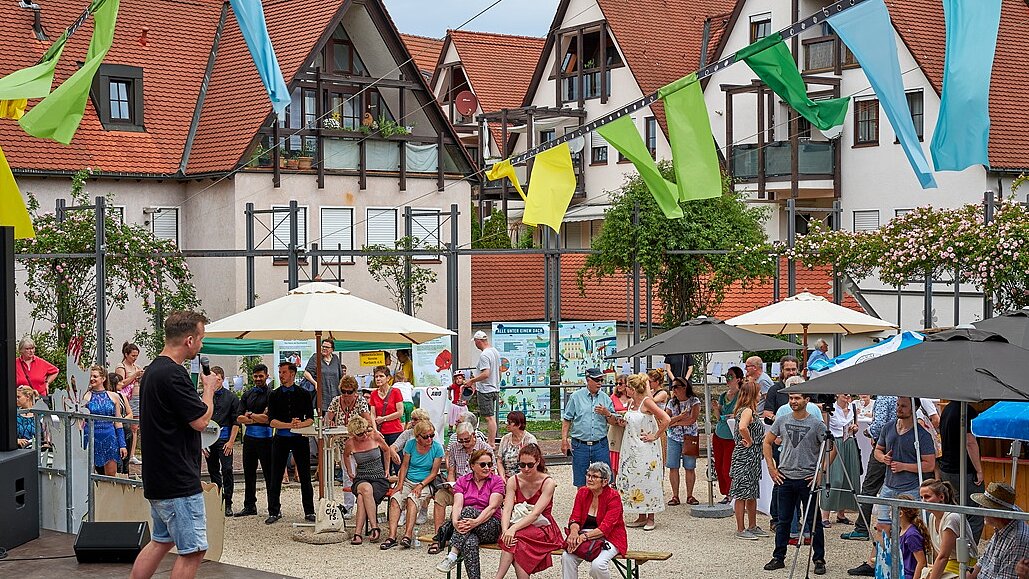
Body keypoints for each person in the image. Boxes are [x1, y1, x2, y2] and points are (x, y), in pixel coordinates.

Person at [131, 311, 216, 579]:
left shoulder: (153, 371)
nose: (201, 345)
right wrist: (210, 390)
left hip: (159, 476)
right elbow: (201, 420)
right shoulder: (173, 375)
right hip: (177, 479)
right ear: (189, 340)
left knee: (161, 541)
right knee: (193, 551)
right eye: (200, 339)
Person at [849, 397, 937, 577]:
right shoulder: (888, 427)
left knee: (911, 529)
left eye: (903, 406)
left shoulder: (922, 434)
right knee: (882, 526)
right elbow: (878, 450)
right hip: (889, 486)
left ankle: (913, 565)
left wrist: (905, 466)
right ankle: (876, 562)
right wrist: (883, 458)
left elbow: (929, 464)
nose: (899, 408)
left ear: (914, 408)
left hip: (910, 489)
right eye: (898, 405)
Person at [762, 392, 828, 575]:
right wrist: (771, 468)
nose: (793, 401)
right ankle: (778, 557)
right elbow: (767, 442)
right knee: (783, 520)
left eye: (797, 398)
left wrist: (820, 471)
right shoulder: (781, 420)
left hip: (807, 479)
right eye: (791, 398)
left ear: (807, 400)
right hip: (785, 478)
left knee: (814, 521)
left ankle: (819, 558)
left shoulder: (816, 424)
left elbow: (831, 448)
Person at [495, 443, 564, 579]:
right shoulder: (513, 480)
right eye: (522, 465)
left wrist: (512, 529)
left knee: (514, 539)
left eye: (530, 465)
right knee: (513, 541)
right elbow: (507, 508)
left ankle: (498, 577)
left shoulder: (548, 482)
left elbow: (535, 514)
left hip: (543, 526)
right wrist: (505, 530)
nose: (526, 469)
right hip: (520, 525)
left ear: (538, 462)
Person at [435, 449, 506, 578]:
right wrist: (456, 522)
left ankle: (452, 555)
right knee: (470, 542)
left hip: (490, 525)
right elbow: (457, 505)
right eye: (483, 464)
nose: (487, 468)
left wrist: (476, 522)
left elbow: (492, 507)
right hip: (468, 527)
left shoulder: (497, 481)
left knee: (468, 510)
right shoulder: (462, 481)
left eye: (489, 464)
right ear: (472, 466)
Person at [618, 372, 670, 531]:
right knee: (634, 478)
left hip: (646, 448)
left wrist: (655, 435)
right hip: (630, 446)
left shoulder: (647, 402)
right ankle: (640, 515)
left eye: (627, 386)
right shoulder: (631, 403)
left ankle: (651, 517)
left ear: (633, 388)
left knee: (648, 479)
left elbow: (666, 419)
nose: (625, 389)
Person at [265, 361, 315, 525]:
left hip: (300, 438)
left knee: (305, 475)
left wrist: (299, 425)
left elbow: (310, 419)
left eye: (284, 372)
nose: (281, 375)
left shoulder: (304, 394)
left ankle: (309, 511)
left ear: (292, 374)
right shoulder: (274, 394)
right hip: (281, 437)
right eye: (280, 372)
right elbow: (271, 421)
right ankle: (274, 510)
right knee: (276, 475)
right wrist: (289, 425)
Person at [842, 395, 897, 542]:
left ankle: (862, 528)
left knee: (869, 487)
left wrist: (868, 432)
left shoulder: (884, 397)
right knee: (894, 485)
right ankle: (893, 524)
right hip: (899, 443)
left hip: (883, 446)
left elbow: (879, 424)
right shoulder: (899, 393)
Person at [381, 420, 443, 550]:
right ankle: (392, 536)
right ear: (418, 437)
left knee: (412, 499)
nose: (430, 439)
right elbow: (404, 466)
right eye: (426, 436)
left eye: (431, 435)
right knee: (395, 499)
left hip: (426, 482)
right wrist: (400, 483)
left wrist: (421, 485)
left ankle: (407, 535)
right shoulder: (410, 444)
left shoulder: (437, 448)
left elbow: (434, 473)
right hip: (408, 480)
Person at [432, 421, 493, 552]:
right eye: (461, 441)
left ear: (473, 435)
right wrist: (451, 485)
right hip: (458, 486)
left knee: (466, 505)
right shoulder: (454, 447)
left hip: (477, 487)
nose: (464, 444)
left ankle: (455, 539)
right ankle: (439, 536)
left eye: (467, 440)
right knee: (440, 496)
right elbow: (451, 471)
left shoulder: (485, 448)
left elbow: (490, 474)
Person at [561, 462, 628, 579]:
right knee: (566, 557)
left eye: (594, 476)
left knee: (598, 565)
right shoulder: (582, 492)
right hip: (584, 535)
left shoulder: (613, 497)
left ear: (605, 481)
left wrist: (583, 537)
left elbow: (606, 527)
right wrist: (574, 533)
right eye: (588, 475)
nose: (589, 479)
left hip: (610, 537)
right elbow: (574, 518)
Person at [761, 355, 800, 531]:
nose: (791, 372)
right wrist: (779, 426)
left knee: (799, 482)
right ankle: (776, 518)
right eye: (788, 369)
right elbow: (767, 413)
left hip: (799, 444)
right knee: (780, 480)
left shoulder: (803, 388)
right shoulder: (775, 390)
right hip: (780, 442)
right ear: (781, 371)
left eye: (793, 369)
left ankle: (795, 518)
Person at [561, 368, 618, 487]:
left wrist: (606, 413)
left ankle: (602, 505)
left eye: (601, 380)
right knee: (581, 481)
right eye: (597, 380)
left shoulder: (605, 398)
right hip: (580, 444)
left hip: (600, 444)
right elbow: (567, 419)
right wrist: (564, 440)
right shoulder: (576, 397)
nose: (600, 383)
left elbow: (614, 422)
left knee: (604, 479)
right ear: (588, 380)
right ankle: (583, 505)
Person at [938, 400, 985, 542]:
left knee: (954, 511)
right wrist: (979, 470)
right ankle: (969, 550)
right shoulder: (967, 411)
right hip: (964, 471)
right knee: (974, 513)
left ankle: (953, 547)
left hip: (946, 468)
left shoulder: (947, 410)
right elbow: (970, 442)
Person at [325, 374, 373, 508]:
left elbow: (368, 421)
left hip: (360, 444)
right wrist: (330, 422)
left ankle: (363, 503)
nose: (346, 394)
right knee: (347, 474)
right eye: (343, 391)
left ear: (355, 391)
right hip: (343, 444)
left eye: (349, 392)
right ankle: (348, 505)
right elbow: (327, 418)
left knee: (362, 474)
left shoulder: (361, 401)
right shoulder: (336, 401)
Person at [344, 415, 391, 545]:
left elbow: (387, 451)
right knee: (365, 489)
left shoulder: (374, 436)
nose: (364, 435)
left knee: (361, 497)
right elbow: (346, 456)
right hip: (361, 477)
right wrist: (349, 471)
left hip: (378, 477)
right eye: (360, 434)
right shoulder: (350, 443)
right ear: (353, 434)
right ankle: (374, 527)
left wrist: (387, 469)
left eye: (365, 431)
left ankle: (358, 533)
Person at [234, 364, 273, 517]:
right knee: (249, 473)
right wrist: (257, 417)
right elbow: (238, 416)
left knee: (269, 475)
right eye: (255, 376)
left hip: (266, 439)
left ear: (266, 375)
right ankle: (249, 505)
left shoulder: (271, 395)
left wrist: (249, 415)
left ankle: (273, 507)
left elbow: (268, 419)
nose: (258, 379)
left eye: (260, 376)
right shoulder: (247, 394)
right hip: (249, 439)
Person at [919, 478, 977, 579]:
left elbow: (943, 557)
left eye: (927, 497)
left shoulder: (952, 518)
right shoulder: (932, 517)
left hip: (963, 565)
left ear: (941, 497)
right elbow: (938, 555)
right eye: (921, 497)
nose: (923, 501)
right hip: (948, 564)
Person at [729, 379, 766, 539]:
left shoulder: (749, 411)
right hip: (746, 456)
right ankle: (741, 528)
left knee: (751, 491)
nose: (760, 395)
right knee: (742, 492)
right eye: (758, 392)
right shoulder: (747, 411)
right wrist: (750, 441)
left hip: (752, 457)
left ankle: (752, 524)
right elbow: (742, 427)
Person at [969, 482, 1029, 579]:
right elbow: (982, 562)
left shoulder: (1018, 539)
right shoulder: (1001, 527)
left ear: (997, 512)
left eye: (985, 506)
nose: (981, 509)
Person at [205, 366, 240, 517]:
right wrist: (202, 443)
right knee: (213, 470)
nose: (214, 381)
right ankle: (217, 498)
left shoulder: (231, 398)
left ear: (222, 379)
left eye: (217, 379)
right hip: (208, 438)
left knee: (227, 469)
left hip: (225, 438)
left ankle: (229, 502)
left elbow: (236, 422)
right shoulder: (206, 397)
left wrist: (231, 441)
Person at [821, 393, 860, 528]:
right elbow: (825, 428)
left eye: (849, 394)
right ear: (838, 395)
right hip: (835, 442)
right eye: (845, 394)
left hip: (849, 442)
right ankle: (825, 514)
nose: (847, 396)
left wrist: (855, 428)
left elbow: (856, 426)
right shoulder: (831, 409)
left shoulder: (853, 408)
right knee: (834, 478)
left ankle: (841, 513)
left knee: (848, 476)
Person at [82, 366, 128, 476]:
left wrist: (122, 444)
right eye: (90, 376)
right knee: (88, 475)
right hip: (90, 436)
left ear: (103, 379)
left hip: (109, 437)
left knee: (111, 476)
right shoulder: (85, 396)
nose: (92, 379)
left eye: (95, 376)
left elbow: (118, 421)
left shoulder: (114, 396)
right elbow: (81, 421)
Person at [665, 377, 701, 506]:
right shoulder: (671, 402)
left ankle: (690, 495)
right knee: (673, 467)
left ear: (684, 387)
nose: (673, 390)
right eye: (672, 387)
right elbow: (666, 420)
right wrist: (680, 418)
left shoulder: (694, 401)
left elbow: (692, 419)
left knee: (690, 467)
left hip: (689, 437)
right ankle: (675, 495)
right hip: (674, 437)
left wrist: (674, 422)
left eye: (676, 387)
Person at [712, 366, 743, 502]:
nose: (728, 379)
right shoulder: (723, 396)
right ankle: (726, 493)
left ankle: (731, 494)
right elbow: (719, 417)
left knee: (727, 467)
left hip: (731, 436)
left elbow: (739, 415)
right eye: (727, 376)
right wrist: (715, 409)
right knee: (718, 466)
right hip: (719, 433)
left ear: (738, 379)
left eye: (731, 376)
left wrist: (732, 415)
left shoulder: (741, 396)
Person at [466, 331, 501, 446]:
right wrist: (497, 382)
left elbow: (486, 373)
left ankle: (491, 443)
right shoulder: (495, 352)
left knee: (489, 418)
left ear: (478, 341)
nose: (475, 344)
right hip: (495, 388)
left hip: (486, 389)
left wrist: (472, 380)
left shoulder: (484, 355)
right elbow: (499, 370)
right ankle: (491, 441)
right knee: (491, 416)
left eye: (475, 342)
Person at [116, 341, 145, 465]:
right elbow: (121, 383)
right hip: (126, 399)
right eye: (133, 355)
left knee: (135, 427)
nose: (135, 358)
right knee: (125, 426)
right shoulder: (121, 367)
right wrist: (134, 375)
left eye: (136, 356)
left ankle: (132, 454)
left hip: (137, 398)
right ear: (126, 354)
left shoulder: (136, 367)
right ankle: (124, 451)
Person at [897, 494, 932, 579]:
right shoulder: (901, 530)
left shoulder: (911, 535)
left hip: (908, 575)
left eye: (892, 510)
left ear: (900, 513)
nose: (889, 514)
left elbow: (921, 562)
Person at [370, 365, 405, 451]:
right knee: (383, 460)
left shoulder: (396, 392)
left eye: (381, 376)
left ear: (388, 378)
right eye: (376, 376)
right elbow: (372, 414)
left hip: (395, 431)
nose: (378, 379)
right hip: (380, 432)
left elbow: (400, 412)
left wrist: (383, 419)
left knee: (397, 459)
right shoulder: (373, 394)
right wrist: (375, 430)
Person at [303, 338, 342, 415]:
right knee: (323, 418)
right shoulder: (316, 357)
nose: (324, 348)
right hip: (322, 394)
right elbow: (306, 373)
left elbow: (340, 376)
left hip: (335, 394)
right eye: (323, 346)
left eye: (327, 347)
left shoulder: (336, 359)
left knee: (335, 420)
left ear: (332, 349)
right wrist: (315, 383)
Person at [498, 411, 538, 480]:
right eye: (507, 421)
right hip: (506, 477)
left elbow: (533, 463)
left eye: (509, 422)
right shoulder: (505, 438)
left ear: (518, 425)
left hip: (524, 478)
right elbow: (499, 460)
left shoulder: (530, 440)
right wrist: (502, 476)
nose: (506, 424)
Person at [608, 375, 630, 477]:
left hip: (628, 429)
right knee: (615, 452)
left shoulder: (633, 398)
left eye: (620, 383)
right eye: (616, 384)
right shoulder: (613, 397)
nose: (618, 386)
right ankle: (615, 478)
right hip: (616, 428)